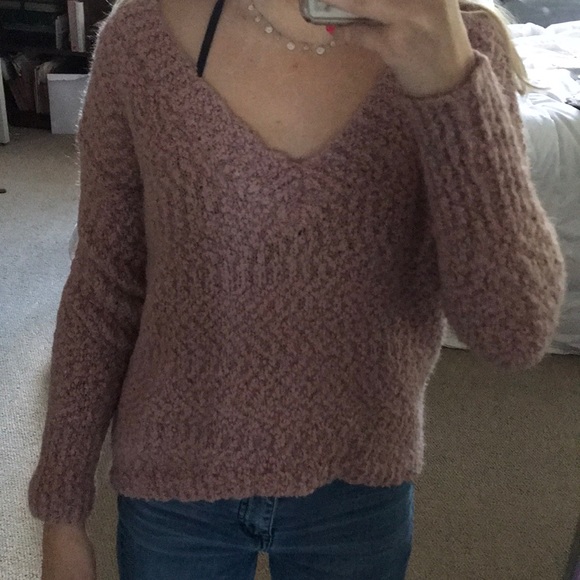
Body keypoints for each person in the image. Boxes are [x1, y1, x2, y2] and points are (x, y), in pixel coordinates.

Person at [29, 0, 567, 578]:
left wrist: (449, 84)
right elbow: (104, 282)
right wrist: (62, 511)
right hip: (170, 483)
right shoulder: (143, 36)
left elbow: (513, 333)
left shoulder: (456, 42)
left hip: (359, 488)